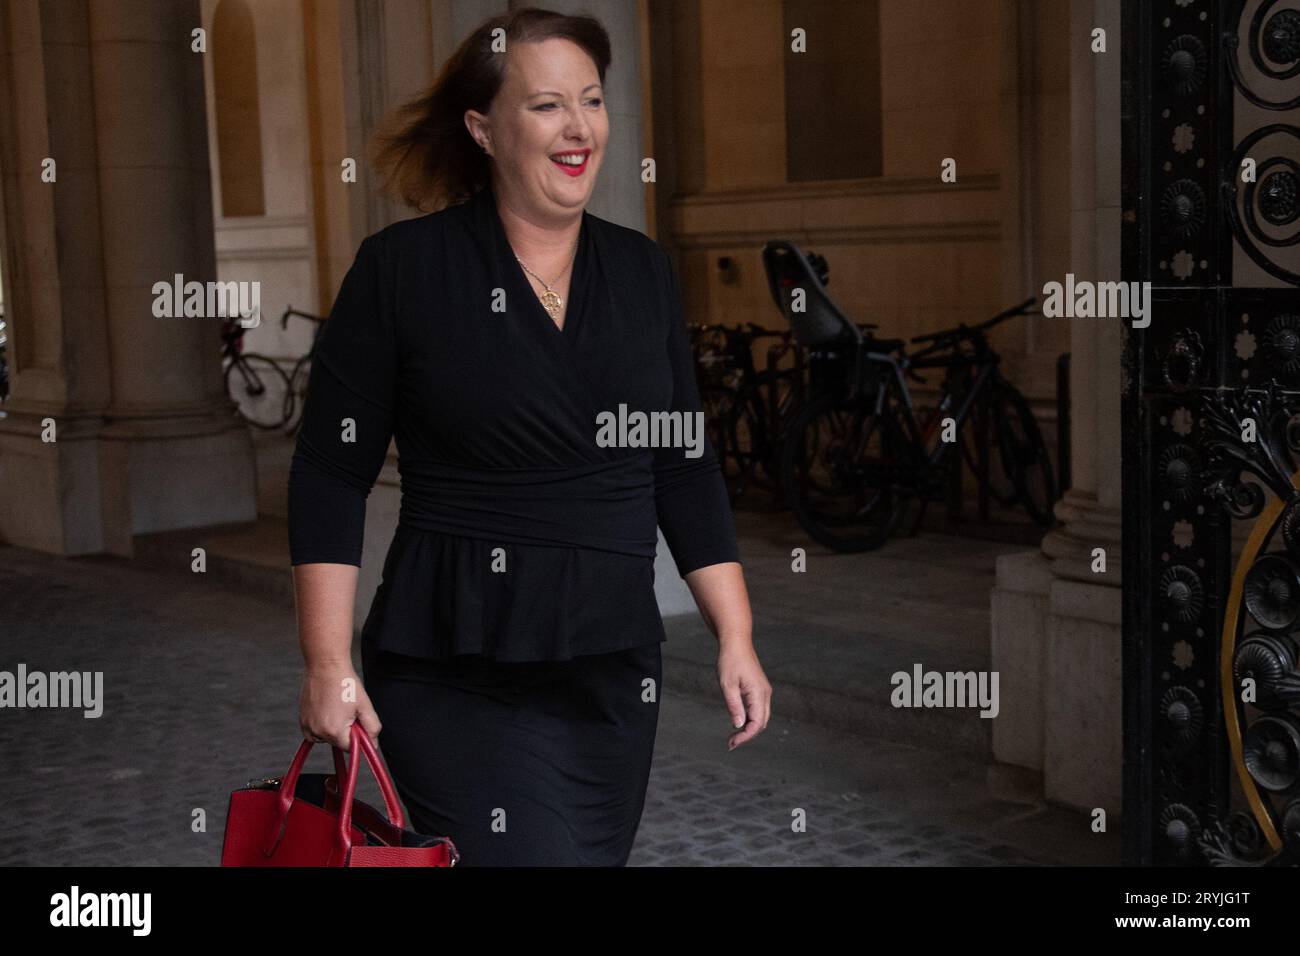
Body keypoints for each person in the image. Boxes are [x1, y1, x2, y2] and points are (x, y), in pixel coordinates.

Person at [288, 6, 771, 866]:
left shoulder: (643, 273)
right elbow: (330, 471)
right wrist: (327, 662)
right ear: (482, 127)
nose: (578, 126)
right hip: (455, 661)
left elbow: (685, 471)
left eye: (591, 100)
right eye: (546, 105)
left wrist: (734, 635)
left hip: (612, 669)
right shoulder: (402, 270)